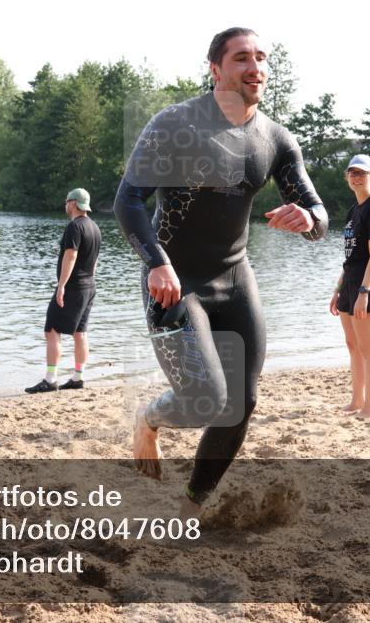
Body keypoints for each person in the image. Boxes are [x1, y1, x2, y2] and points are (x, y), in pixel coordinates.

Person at [114, 27, 328, 516]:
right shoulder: (176, 124)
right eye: (241, 58)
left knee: (242, 402)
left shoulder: (275, 139)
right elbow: (128, 199)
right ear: (215, 69)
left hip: (235, 279)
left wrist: (309, 218)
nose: (255, 68)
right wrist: (156, 262)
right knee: (206, 399)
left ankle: (193, 503)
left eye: (261, 58)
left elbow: (319, 214)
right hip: (174, 281)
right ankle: (148, 419)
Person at [328, 154, 370, 419]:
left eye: (361, 173)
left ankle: (369, 408)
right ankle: (356, 401)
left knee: (369, 348)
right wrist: (338, 289)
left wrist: (364, 293)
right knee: (352, 345)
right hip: (351, 280)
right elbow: (350, 258)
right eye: (352, 173)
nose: (356, 177)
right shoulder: (353, 210)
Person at [25, 188, 102, 393]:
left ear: (73, 203)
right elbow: (95, 261)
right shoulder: (94, 227)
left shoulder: (74, 226)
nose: (65, 205)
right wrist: (89, 281)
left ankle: (50, 379)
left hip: (73, 287)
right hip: (89, 285)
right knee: (80, 332)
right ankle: (78, 377)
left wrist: (61, 286)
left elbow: (71, 255)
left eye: (67, 201)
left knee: (52, 330)